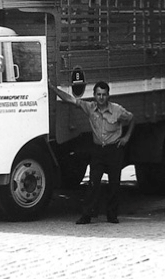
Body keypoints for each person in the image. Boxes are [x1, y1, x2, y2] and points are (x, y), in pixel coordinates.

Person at [49, 80, 135, 224]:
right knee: (93, 183)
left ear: (108, 96)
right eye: (98, 94)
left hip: (114, 149)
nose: (101, 97)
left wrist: (126, 137)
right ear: (94, 95)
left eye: (104, 95)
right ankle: (86, 215)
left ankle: (112, 215)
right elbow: (69, 99)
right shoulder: (89, 107)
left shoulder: (117, 110)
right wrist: (52, 88)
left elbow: (132, 118)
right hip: (98, 151)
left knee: (114, 184)